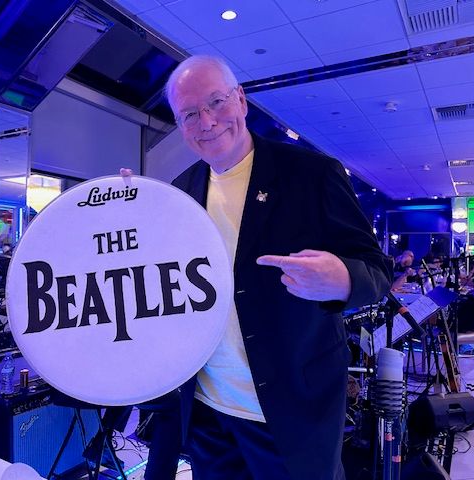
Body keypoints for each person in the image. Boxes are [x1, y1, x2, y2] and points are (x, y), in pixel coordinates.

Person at [166, 56, 392, 479]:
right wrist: (129, 207)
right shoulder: (180, 191)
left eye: (216, 102)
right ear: (180, 125)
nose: (207, 121)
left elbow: (377, 271)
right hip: (209, 411)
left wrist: (343, 279)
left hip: (291, 411)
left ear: (241, 100)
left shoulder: (312, 174)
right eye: (190, 114)